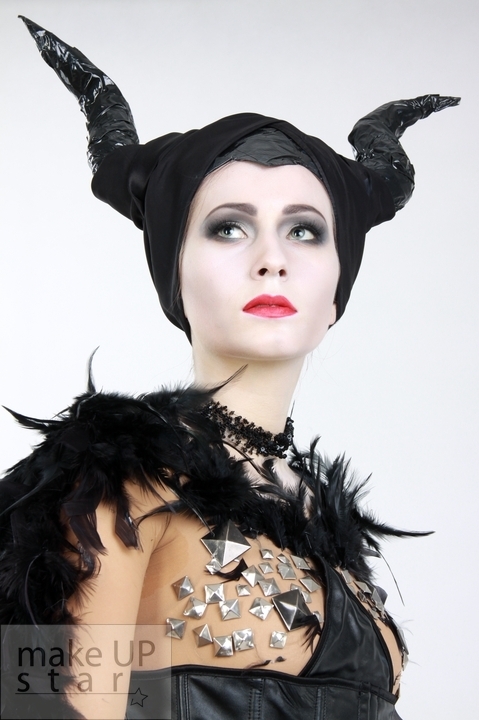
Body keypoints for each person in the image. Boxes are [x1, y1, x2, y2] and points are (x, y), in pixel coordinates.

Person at [0, 17, 459, 720]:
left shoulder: (322, 522)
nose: (271, 259)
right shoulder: (120, 480)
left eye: (304, 230)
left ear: (336, 292)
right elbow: (45, 707)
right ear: (175, 276)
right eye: (228, 227)